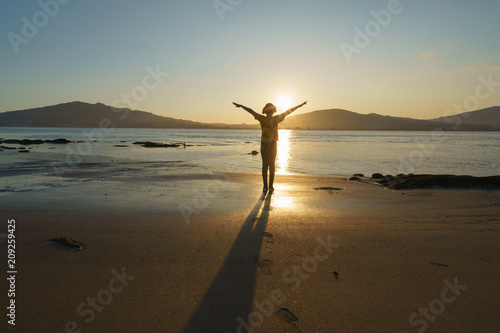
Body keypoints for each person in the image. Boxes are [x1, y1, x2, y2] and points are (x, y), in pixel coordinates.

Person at [233, 100, 307, 192]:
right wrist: (299, 106)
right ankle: (270, 186)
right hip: (272, 144)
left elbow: (251, 111)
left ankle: (265, 187)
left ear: (265, 111)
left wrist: (241, 105)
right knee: (271, 165)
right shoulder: (275, 119)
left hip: (264, 144)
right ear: (273, 111)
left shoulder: (262, 118)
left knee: (265, 165)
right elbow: (288, 111)